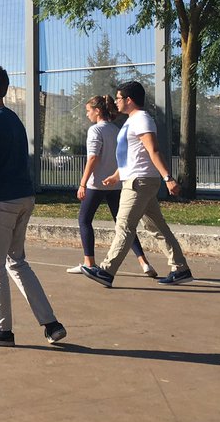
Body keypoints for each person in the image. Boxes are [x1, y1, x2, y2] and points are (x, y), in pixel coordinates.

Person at [0, 65, 66, 346]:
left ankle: (3, 331)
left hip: (5, 202)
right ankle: (51, 323)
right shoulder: (13, 119)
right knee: (16, 262)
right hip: (25, 196)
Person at [81, 81, 193, 287]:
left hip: (139, 182)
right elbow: (131, 155)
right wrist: (116, 175)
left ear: (129, 100)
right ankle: (181, 268)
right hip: (137, 178)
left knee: (124, 225)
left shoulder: (141, 119)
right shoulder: (131, 121)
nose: (116, 101)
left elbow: (153, 150)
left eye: (119, 98)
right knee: (155, 226)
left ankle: (106, 271)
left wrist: (168, 178)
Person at [67, 95, 157, 279]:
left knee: (84, 220)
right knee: (124, 225)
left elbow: (93, 157)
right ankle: (144, 262)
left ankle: (89, 263)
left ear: (97, 111)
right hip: (116, 184)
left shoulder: (96, 130)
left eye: (88, 111)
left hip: (96, 184)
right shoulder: (117, 129)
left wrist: (83, 183)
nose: (87, 115)